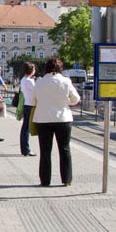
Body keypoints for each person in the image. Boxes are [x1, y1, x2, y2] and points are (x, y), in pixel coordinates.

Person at [34, 57, 80, 186]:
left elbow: (33, 100)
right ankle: (66, 179)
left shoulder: (40, 82)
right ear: (61, 68)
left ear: (46, 68)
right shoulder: (66, 81)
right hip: (63, 118)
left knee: (45, 151)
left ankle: (45, 181)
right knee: (65, 149)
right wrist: (67, 103)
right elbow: (76, 99)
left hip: (43, 119)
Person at [19, 62, 37, 156]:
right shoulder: (30, 81)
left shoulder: (23, 79)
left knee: (25, 128)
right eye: (34, 69)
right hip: (30, 105)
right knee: (26, 128)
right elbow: (36, 92)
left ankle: (24, 149)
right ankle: (26, 149)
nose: (35, 71)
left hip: (26, 104)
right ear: (31, 70)